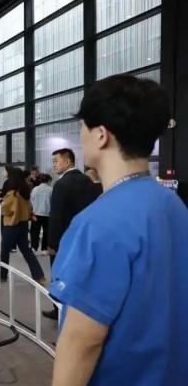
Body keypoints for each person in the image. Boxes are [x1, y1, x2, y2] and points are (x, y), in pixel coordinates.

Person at [50, 75, 188, 385]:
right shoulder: (174, 206)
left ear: (101, 135)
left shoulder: (98, 223)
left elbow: (82, 342)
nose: (80, 136)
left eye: (82, 127)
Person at [42, 148, 100, 320]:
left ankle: (58, 309)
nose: (53, 165)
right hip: (85, 237)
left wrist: (52, 243)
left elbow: (56, 216)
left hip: (64, 239)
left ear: (67, 162)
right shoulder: (88, 181)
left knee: (60, 275)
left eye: (56, 161)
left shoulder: (61, 185)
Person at [0, 168, 46, 284]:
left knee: (4, 251)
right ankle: (39, 276)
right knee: (27, 251)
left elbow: (5, 210)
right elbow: (29, 208)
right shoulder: (25, 192)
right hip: (23, 225)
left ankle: (2, 275)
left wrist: (1, 204)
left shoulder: (12, 194)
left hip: (11, 225)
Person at [30, 174, 52, 253]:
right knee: (46, 232)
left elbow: (31, 200)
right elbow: (53, 202)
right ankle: (44, 249)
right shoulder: (51, 190)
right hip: (47, 214)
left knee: (35, 231)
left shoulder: (35, 189)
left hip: (36, 213)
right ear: (49, 181)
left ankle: (34, 247)